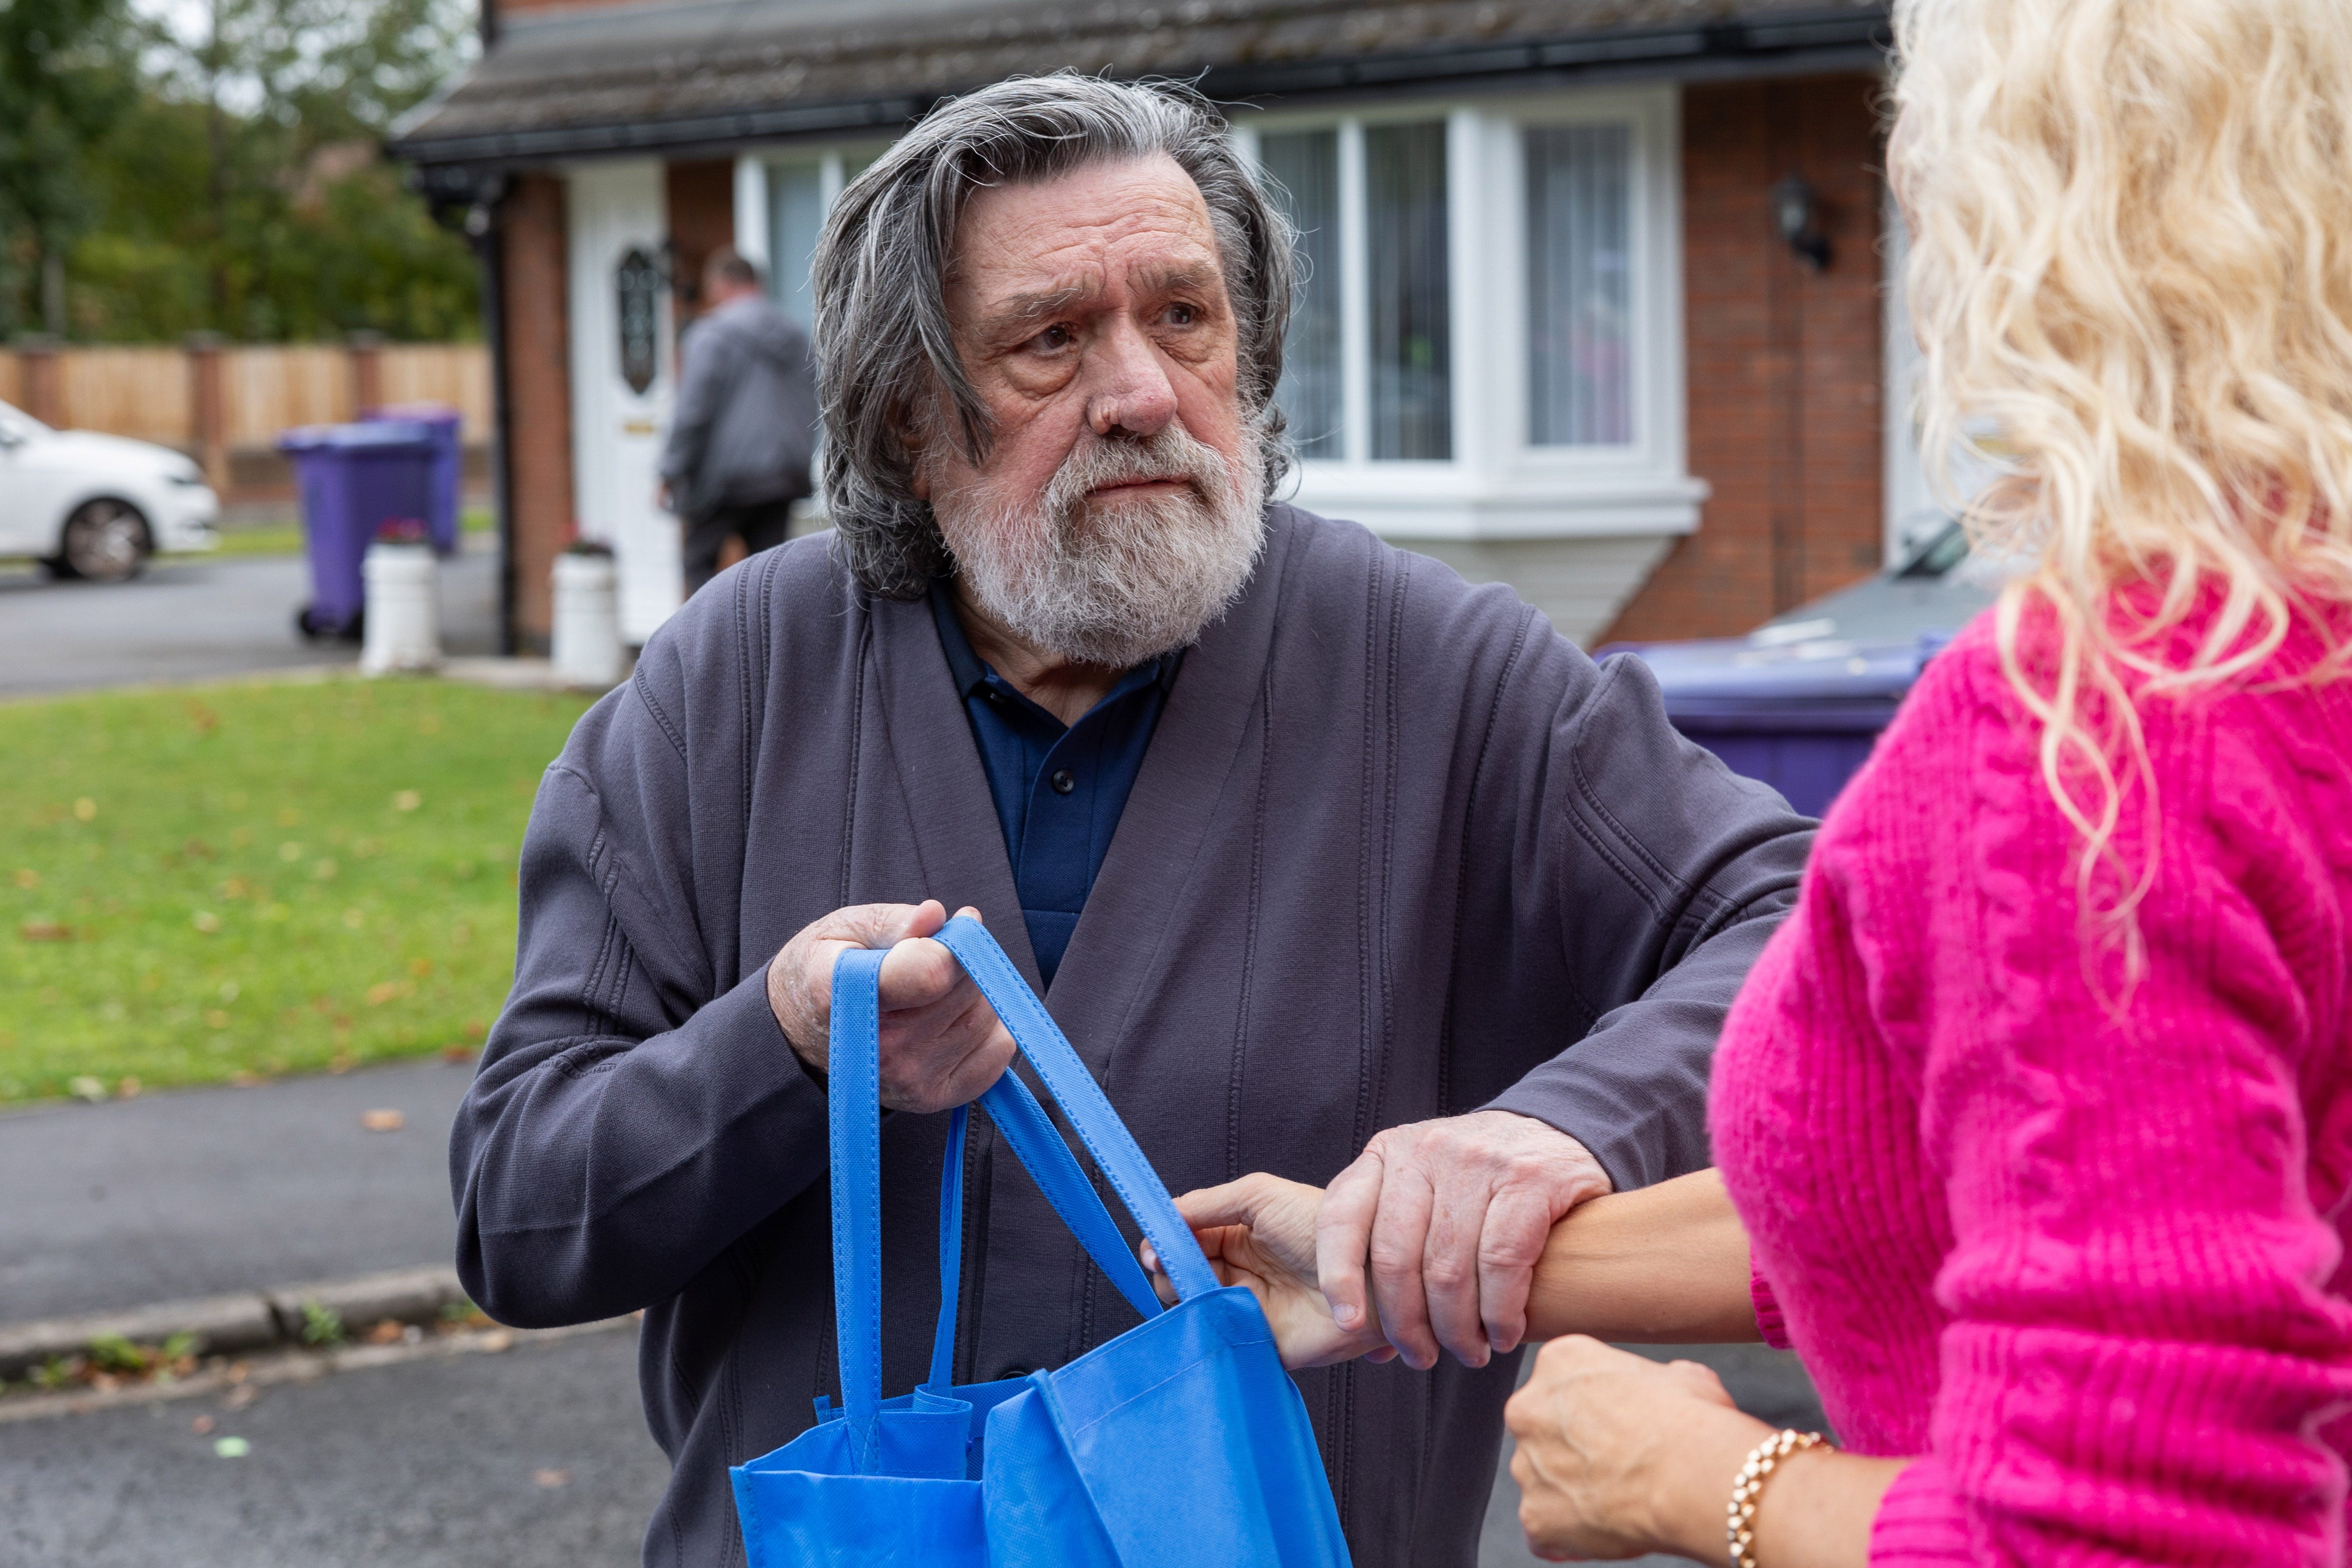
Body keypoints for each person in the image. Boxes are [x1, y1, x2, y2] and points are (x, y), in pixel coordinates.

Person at [451, 75, 1814, 1568]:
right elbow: (521, 1214)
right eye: (1052, 340)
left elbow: (1810, 933)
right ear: (914, 419)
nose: (1144, 391)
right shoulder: (732, 682)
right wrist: (778, 1046)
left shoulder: (1433, 667)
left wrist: (1550, 1131)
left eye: (1186, 316)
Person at [1168, 0, 2352, 1561]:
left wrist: (1697, 1475)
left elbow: (2134, 1537)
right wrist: (1392, 1260)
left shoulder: (2088, 748)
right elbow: (1988, 1201)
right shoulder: (2290, 663)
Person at [658, 247, 817, 594]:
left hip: (725, 480)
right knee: (770, 577)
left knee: (699, 566)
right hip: (782, 476)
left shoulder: (712, 335)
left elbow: (692, 412)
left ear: (721, 284)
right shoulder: (796, 335)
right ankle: (773, 649)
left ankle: (705, 648)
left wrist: (670, 471)